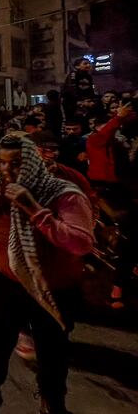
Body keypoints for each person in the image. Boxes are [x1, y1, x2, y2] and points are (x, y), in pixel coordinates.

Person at [0, 135, 94, 414]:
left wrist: (34, 209)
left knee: (52, 349)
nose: (8, 171)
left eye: (16, 163)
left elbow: (80, 242)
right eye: (3, 164)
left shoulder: (63, 192)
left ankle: (53, 404)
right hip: (6, 280)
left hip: (52, 286)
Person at [85, 103, 136, 309]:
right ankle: (117, 290)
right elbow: (105, 133)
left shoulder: (118, 144)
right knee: (129, 236)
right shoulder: (96, 140)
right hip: (105, 189)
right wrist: (118, 118)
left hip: (121, 188)